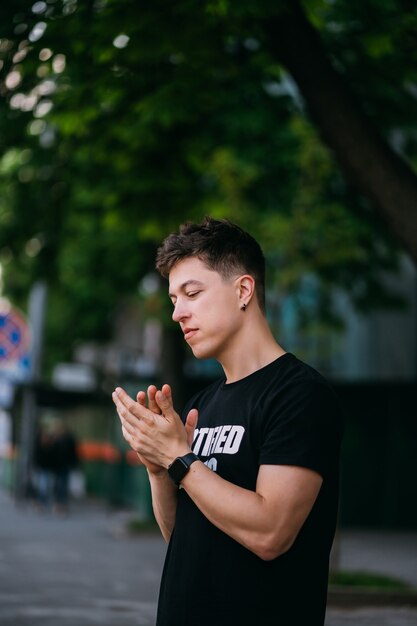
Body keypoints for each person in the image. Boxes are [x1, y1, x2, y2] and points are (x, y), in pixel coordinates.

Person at [112, 217, 344, 626]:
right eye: (173, 299)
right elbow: (183, 539)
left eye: (192, 293)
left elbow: (271, 533)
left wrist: (181, 461)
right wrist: (159, 468)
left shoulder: (299, 394)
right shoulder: (205, 403)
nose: (177, 313)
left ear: (243, 290)